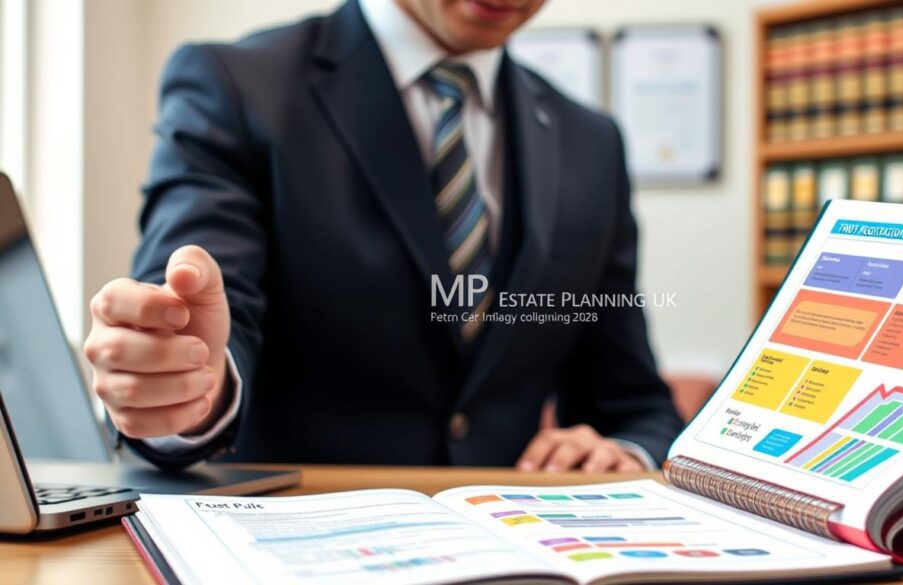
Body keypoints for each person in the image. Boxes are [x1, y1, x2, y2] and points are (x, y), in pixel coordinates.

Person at [83, 0, 683, 472]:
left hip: (515, 549)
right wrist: (186, 385)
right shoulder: (235, 86)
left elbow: (632, 401)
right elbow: (209, 319)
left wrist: (623, 450)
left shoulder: (592, 142)